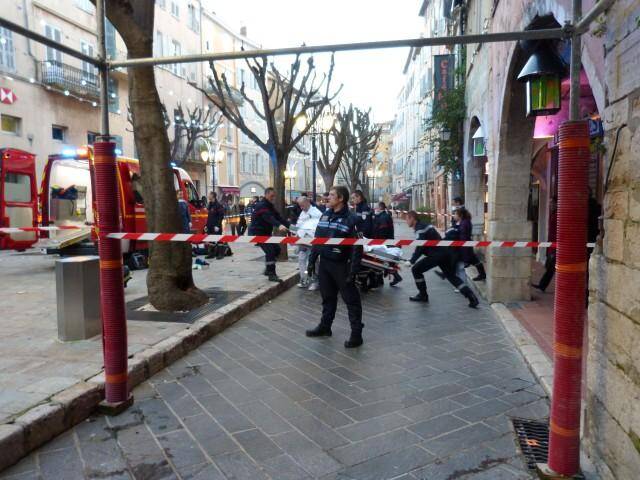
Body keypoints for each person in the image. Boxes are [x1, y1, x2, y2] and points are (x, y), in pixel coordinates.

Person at [306, 186, 364, 348]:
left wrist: (353, 270)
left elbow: (357, 247)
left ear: (341, 199)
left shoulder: (352, 219)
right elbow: (318, 240)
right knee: (327, 298)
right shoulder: (325, 216)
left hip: (341, 266)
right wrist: (312, 260)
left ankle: (356, 334)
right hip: (325, 264)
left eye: (332, 195)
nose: (328, 198)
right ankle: (325, 327)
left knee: (351, 300)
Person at [405, 210, 479, 308]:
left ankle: (423, 295)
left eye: (407, 219)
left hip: (436, 255)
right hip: (444, 252)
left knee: (416, 269)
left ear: (412, 218)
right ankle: (471, 296)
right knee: (451, 276)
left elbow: (420, 246)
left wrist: (412, 261)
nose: (406, 222)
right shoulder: (425, 225)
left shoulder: (420, 228)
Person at [249, 187, 290, 282]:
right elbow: (268, 218)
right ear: (266, 194)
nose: (273, 198)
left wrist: (292, 227)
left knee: (277, 249)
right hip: (258, 233)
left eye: (274, 196)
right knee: (270, 252)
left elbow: (278, 217)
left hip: (266, 234)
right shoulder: (261, 206)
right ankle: (271, 274)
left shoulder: (270, 206)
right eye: (272, 196)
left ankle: (268, 269)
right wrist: (279, 225)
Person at [294, 196, 322, 289]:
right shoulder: (303, 213)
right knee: (302, 260)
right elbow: (299, 226)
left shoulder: (316, 213)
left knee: (313, 261)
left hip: (312, 242)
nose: (301, 208)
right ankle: (304, 279)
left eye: (302, 205)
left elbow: (316, 227)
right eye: (300, 206)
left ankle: (315, 281)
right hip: (302, 241)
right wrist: (294, 231)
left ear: (307, 203)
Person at [374, 202, 403, 287]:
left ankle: (395, 276)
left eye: (376, 207)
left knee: (382, 260)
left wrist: (378, 242)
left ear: (380, 208)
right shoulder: (383, 216)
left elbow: (383, 231)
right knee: (384, 260)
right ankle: (389, 277)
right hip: (387, 241)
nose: (375, 209)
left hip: (385, 242)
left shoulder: (384, 217)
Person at [454, 207, 486, 281]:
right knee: (474, 260)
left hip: (465, 246)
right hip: (466, 246)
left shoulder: (464, 223)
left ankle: (482, 274)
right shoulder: (464, 222)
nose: (454, 216)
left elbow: (463, 237)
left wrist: (462, 248)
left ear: (460, 215)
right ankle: (482, 274)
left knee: (469, 260)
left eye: (455, 214)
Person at [533, 202, 557, 292]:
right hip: (551, 245)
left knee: (551, 268)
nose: (550, 205)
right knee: (550, 268)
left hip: (555, 246)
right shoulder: (553, 214)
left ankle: (542, 285)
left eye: (552, 203)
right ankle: (542, 285)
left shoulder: (557, 215)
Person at [205, 192, 226, 259]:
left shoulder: (218, 205)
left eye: (209, 195)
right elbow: (209, 216)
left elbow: (221, 216)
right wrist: (206, 225)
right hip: (210, 226)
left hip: (216, 226)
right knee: (211, 240)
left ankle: (221, 254)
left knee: (219, 240)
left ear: (213, 196)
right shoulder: (210, 205)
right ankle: (211, 254)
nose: (208, 196)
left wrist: (217, 225)